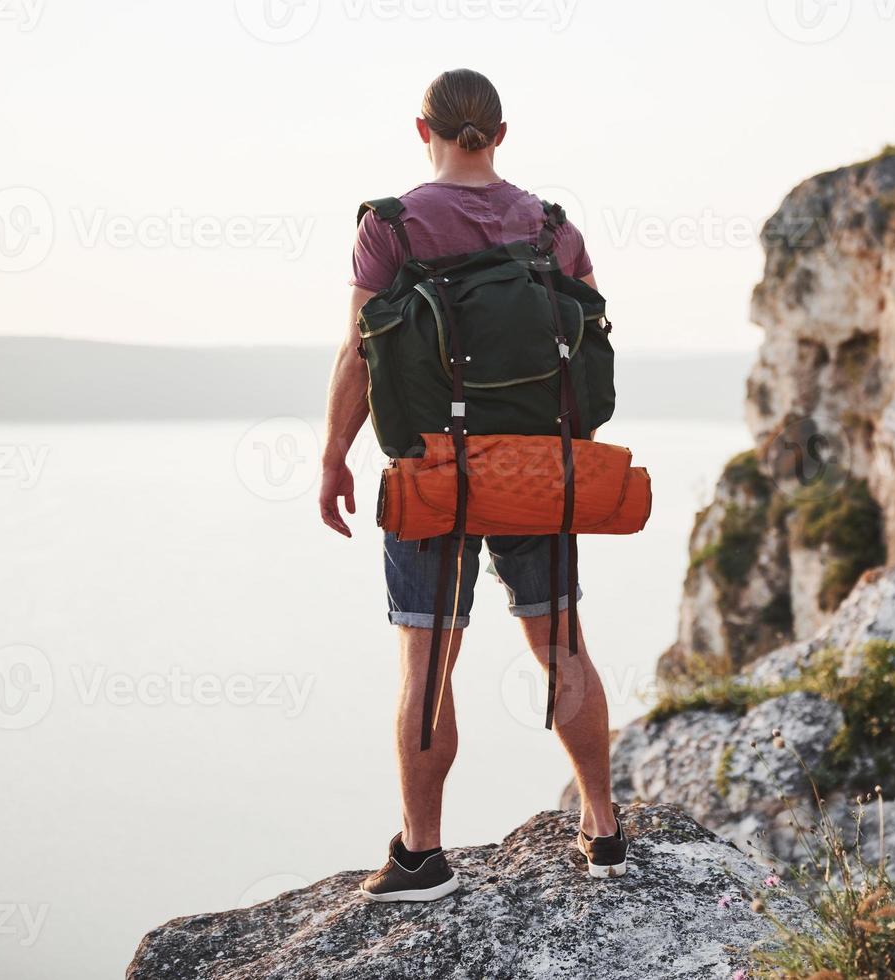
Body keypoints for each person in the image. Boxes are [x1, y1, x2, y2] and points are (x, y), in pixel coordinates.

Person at [319, 69, 628, 902]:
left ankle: (423, 856)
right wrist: (566, 455)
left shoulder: (390, 226)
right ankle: (602, 831)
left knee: (427, 664)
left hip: (433, 474)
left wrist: (332, 456)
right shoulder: (551, 227)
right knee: (562, 645)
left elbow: (357, 354)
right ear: (501, 132)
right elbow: (589, 344)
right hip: (538, 472)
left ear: (421, 128)